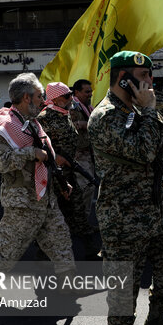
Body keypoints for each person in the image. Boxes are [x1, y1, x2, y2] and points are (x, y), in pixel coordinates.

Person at [88, 51, 163, 325]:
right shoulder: (105, 116)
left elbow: (156, 154)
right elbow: (142, 151)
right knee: (124, 280)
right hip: (122, 213)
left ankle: (157, 319)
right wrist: (148, 111)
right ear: (123, 78)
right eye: (143, 76)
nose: (150, 82)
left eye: (149, 75)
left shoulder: (141, 108)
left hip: (153, 207)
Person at [0, 73, 78, 297]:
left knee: (62, 244)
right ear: (27, 98)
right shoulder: (6, 126)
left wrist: (61, 182)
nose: (44, 100)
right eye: (40, 96)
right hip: (22, 204)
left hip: (46, 198)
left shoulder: (33, 123)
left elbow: (48, 158)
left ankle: (68, 289)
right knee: (8, 254)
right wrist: (30, 153)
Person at [37, 82, 99, 260]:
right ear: (55, 98)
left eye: (71, 95)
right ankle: (42, 254)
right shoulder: (44, 118)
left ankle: (90, 251)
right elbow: (37, 146)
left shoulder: (65, 115)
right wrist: (55, 158)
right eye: (66, 96)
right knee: (54, 217)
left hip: (68, 173)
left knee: (77, 210)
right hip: (52, 176)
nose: (71, 98)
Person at [70, 79, 96, 221]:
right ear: (77, 92)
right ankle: (81, 221)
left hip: (88, 153)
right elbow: (68, 126)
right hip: (78, 154)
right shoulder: (73, 107)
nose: (90, 94)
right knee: (86, 187)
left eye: (91, 91)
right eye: (87, 92)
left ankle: (81, 220)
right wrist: (84, 124)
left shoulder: (86, 107)